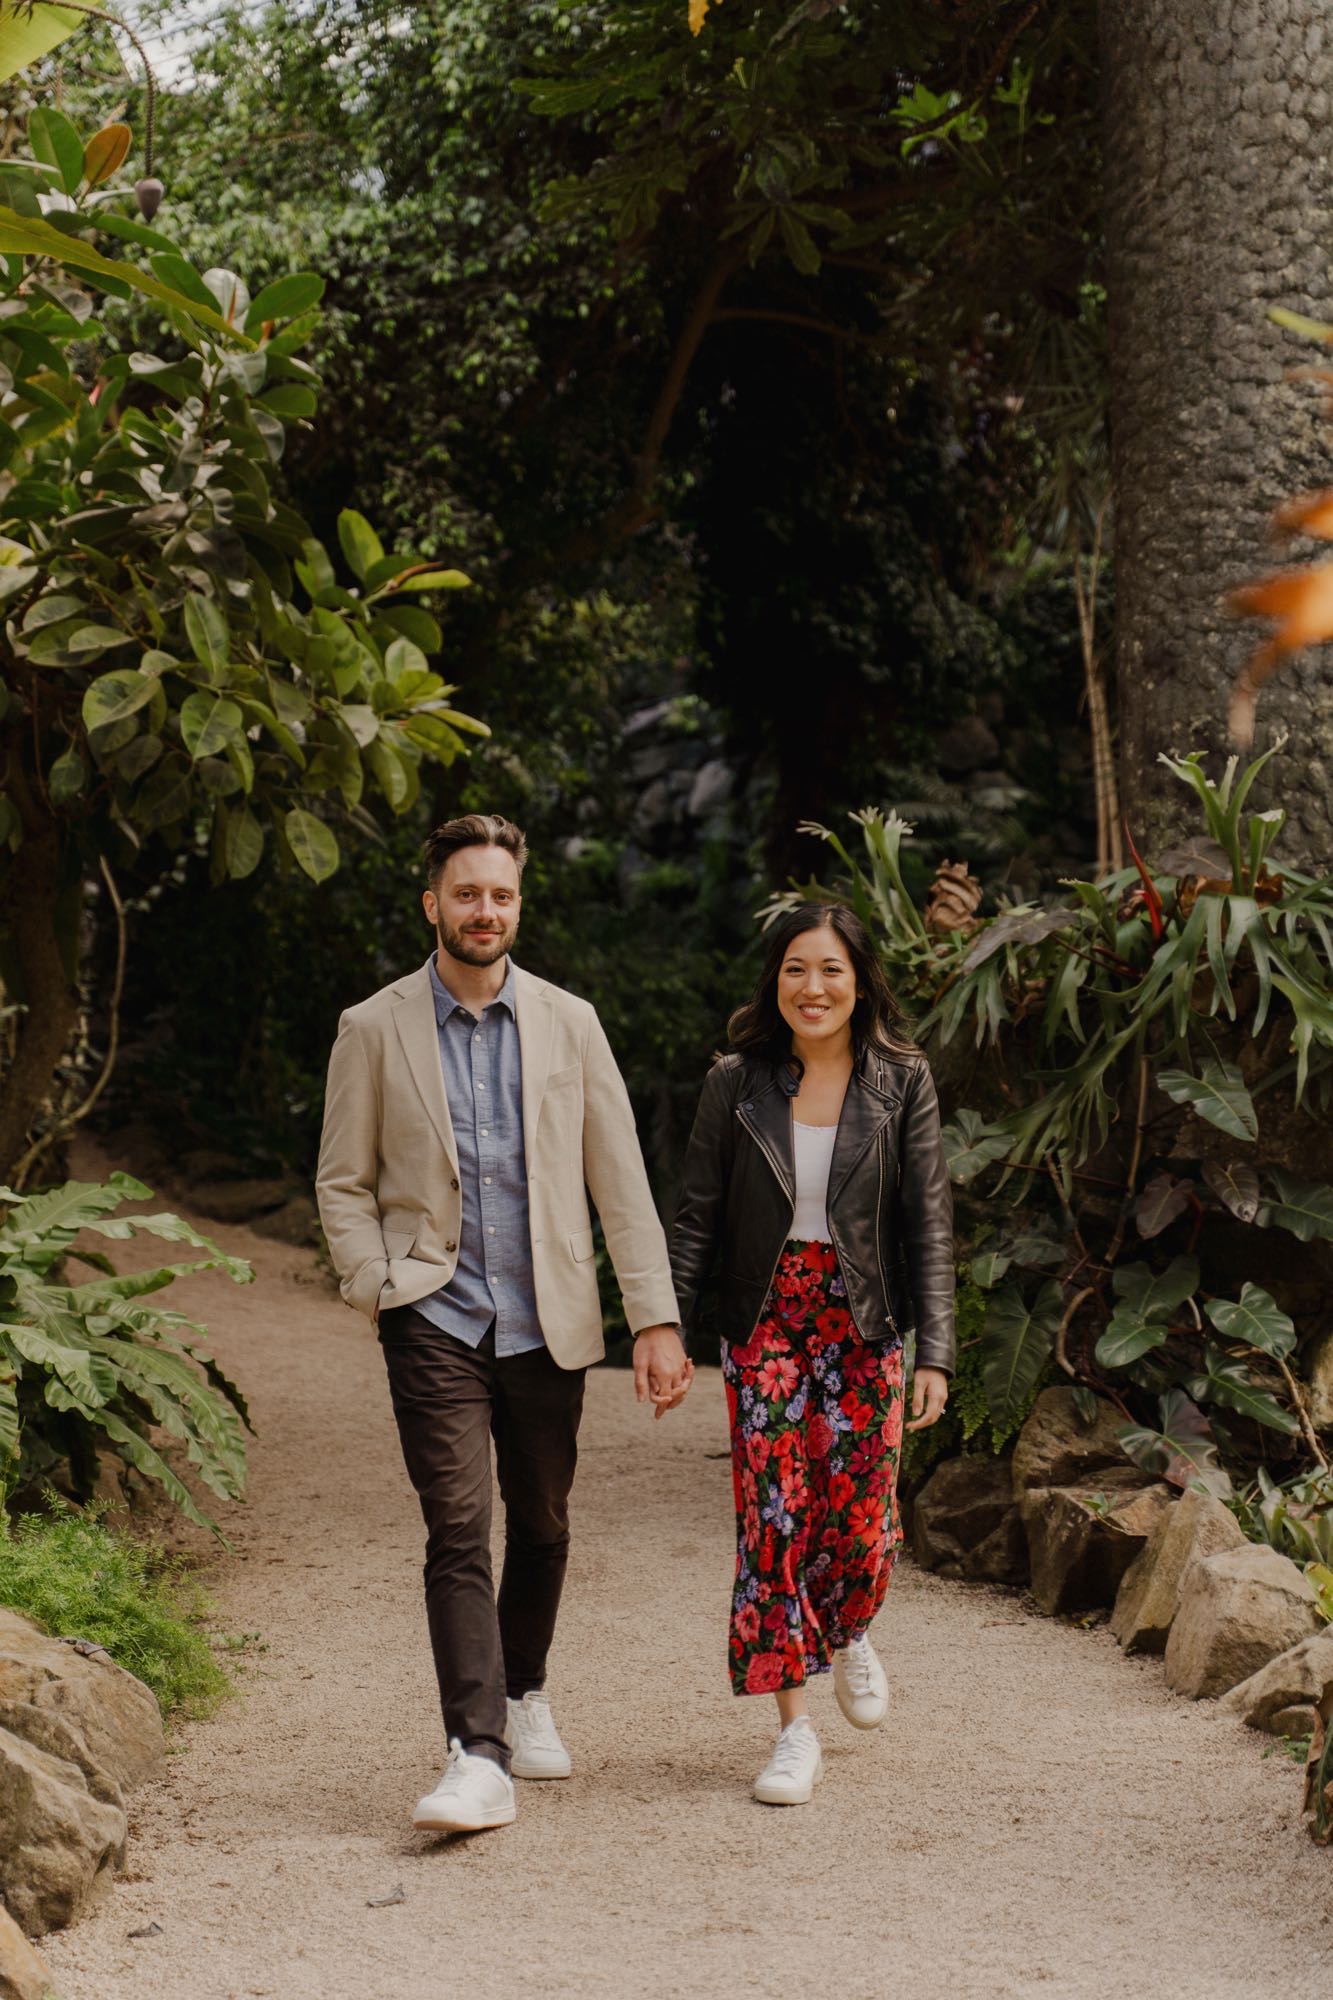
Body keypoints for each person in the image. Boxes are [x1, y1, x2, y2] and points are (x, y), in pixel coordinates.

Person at [316, 812, 691, 1836]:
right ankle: (475, 1752)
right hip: (431, 1312)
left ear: (518, 905)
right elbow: (342, 1179)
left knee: (544, 1521)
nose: (485, 911)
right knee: (457, 1526)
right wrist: (374, 1282)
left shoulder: (571, 1022)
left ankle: (524, 1689)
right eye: (467, 893)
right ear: (431, 903)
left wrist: (653, 1319)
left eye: (501, 895)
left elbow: (620, 1180)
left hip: (545, 1316)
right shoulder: (372, 1026)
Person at [669, 903, 953, 1805]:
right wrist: (665, 1330)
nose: (813, 987)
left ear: (859, 981)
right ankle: (792, 1729)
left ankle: (850, 1625)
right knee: (773, 1518)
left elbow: (928, 1224)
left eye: (830, 969)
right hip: (765, 1321)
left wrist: (935, 1353)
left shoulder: (902, 1082)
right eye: (796, 968)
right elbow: (695, 1217)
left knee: (862, 1524)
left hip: (863, 1320)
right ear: (775, 981)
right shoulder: (735, 1082)